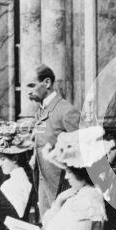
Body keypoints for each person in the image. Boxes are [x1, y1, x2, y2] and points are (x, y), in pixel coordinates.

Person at [27, 64, 80, 215]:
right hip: (43, 181)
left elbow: (81, 153)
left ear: (47, 83)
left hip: (62, 185)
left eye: (32, 85)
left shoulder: (67, 111)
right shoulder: (41, 111)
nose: (28, 91)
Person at [0, 125, 33, 219]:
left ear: (15, 158)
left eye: (2, 159)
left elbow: (15, 216)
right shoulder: (18, 180)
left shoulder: (15, 184)